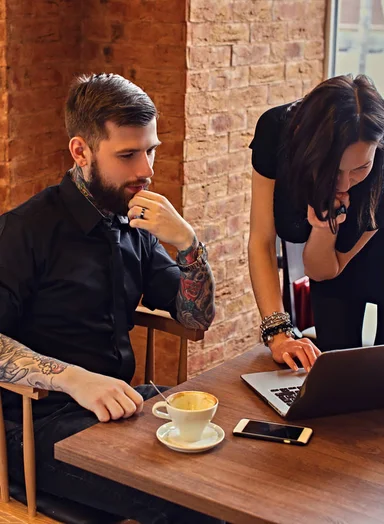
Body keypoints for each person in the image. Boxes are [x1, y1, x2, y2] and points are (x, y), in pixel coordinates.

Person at [0, 73, 217, 523]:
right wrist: (76, 379)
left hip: (121, 409)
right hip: (36, 426)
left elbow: (195, 319)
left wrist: (189, 245)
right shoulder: (25, 230)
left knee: (232, 465)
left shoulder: (133, 222)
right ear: (80, 152)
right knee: (197, 502)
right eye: (128, 155)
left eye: (150, 149)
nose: (147, 170)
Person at [248, 74, 384, 371]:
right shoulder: (276, 131)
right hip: (333, 261)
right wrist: (278, 334)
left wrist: (327, 222)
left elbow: (327, 267)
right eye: (333, 169)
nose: (344, 184)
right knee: (333, 372)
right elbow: (264, 241)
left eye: (360, 168)